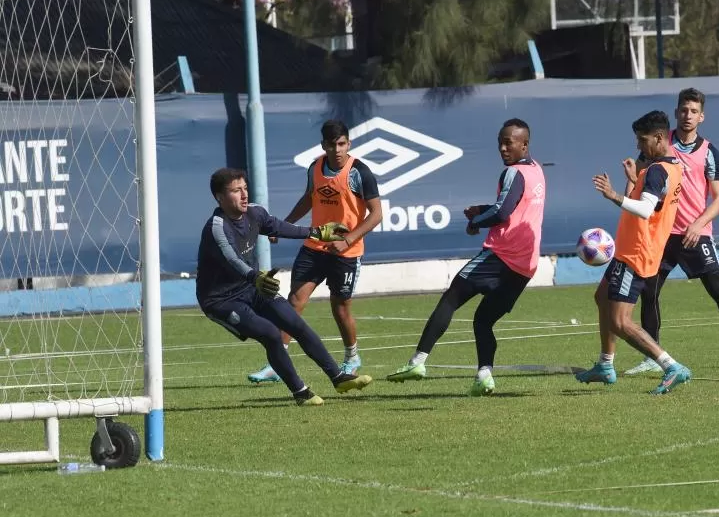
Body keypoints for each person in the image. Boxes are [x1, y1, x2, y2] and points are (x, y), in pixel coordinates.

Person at [384, 118, 545, 396]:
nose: (503, 148)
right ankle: (484, 376)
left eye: (509, 142)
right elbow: (515, 207)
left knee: (452, 296)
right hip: (525, 266)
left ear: (524, 144)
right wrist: (483, 210)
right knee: (483, 320)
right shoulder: (537, 171)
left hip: (501, 255)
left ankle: (417, 362)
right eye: (500, 142)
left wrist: (477, 222)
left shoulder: (513, 173)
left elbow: (502, 213)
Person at [197, 167, 373, 405]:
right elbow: (232, 259)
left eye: (245, 188)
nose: (244, 194)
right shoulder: (216, 227)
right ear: (219, 197)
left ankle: (338, 377)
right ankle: (301, 393)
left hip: (251, 287)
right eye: (236, 191)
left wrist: (318, 232)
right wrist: (255, 277)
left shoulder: (255, 213)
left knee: (294, 322)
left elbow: (278, 227)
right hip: (220, 300)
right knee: (270, 334)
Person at [625, 88, 719, 376]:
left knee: (717, 289)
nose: (687, 115)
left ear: (701, 116)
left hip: (695, 232)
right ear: (676, 113)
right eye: (683, 110)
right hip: (662, 234)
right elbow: (638, 185)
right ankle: (653, 357)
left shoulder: (710, 153)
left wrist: (698, 224)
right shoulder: (658, 145)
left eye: (693, 111)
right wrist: (630, 181)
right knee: (649, 292)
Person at [248, 120, 383, 384]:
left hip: (347, 251)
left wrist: (349, 239)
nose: (338, 150)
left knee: (340, 308)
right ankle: (278, 362)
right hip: (314, 246)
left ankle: (352, 356)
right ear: (324, 145)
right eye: (332, 145)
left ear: (349, 143)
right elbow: (309, 198)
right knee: (294, 301)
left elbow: (376, 213)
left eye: (342, 144)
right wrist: (283, 225)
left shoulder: (360, 173)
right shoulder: (315, 168)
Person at [575, 110, 692, 395]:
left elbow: (644, 209)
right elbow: (653, 202)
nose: (639, 146)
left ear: (659, 137)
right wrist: (634, 179)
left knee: (620, 321)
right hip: (633, 249)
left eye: (642, 141)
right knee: (602, 297)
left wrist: (614, 194)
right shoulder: (671, 165)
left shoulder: (656, 170)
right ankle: (605, 365)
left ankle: (671, 366)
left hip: (636, 253)